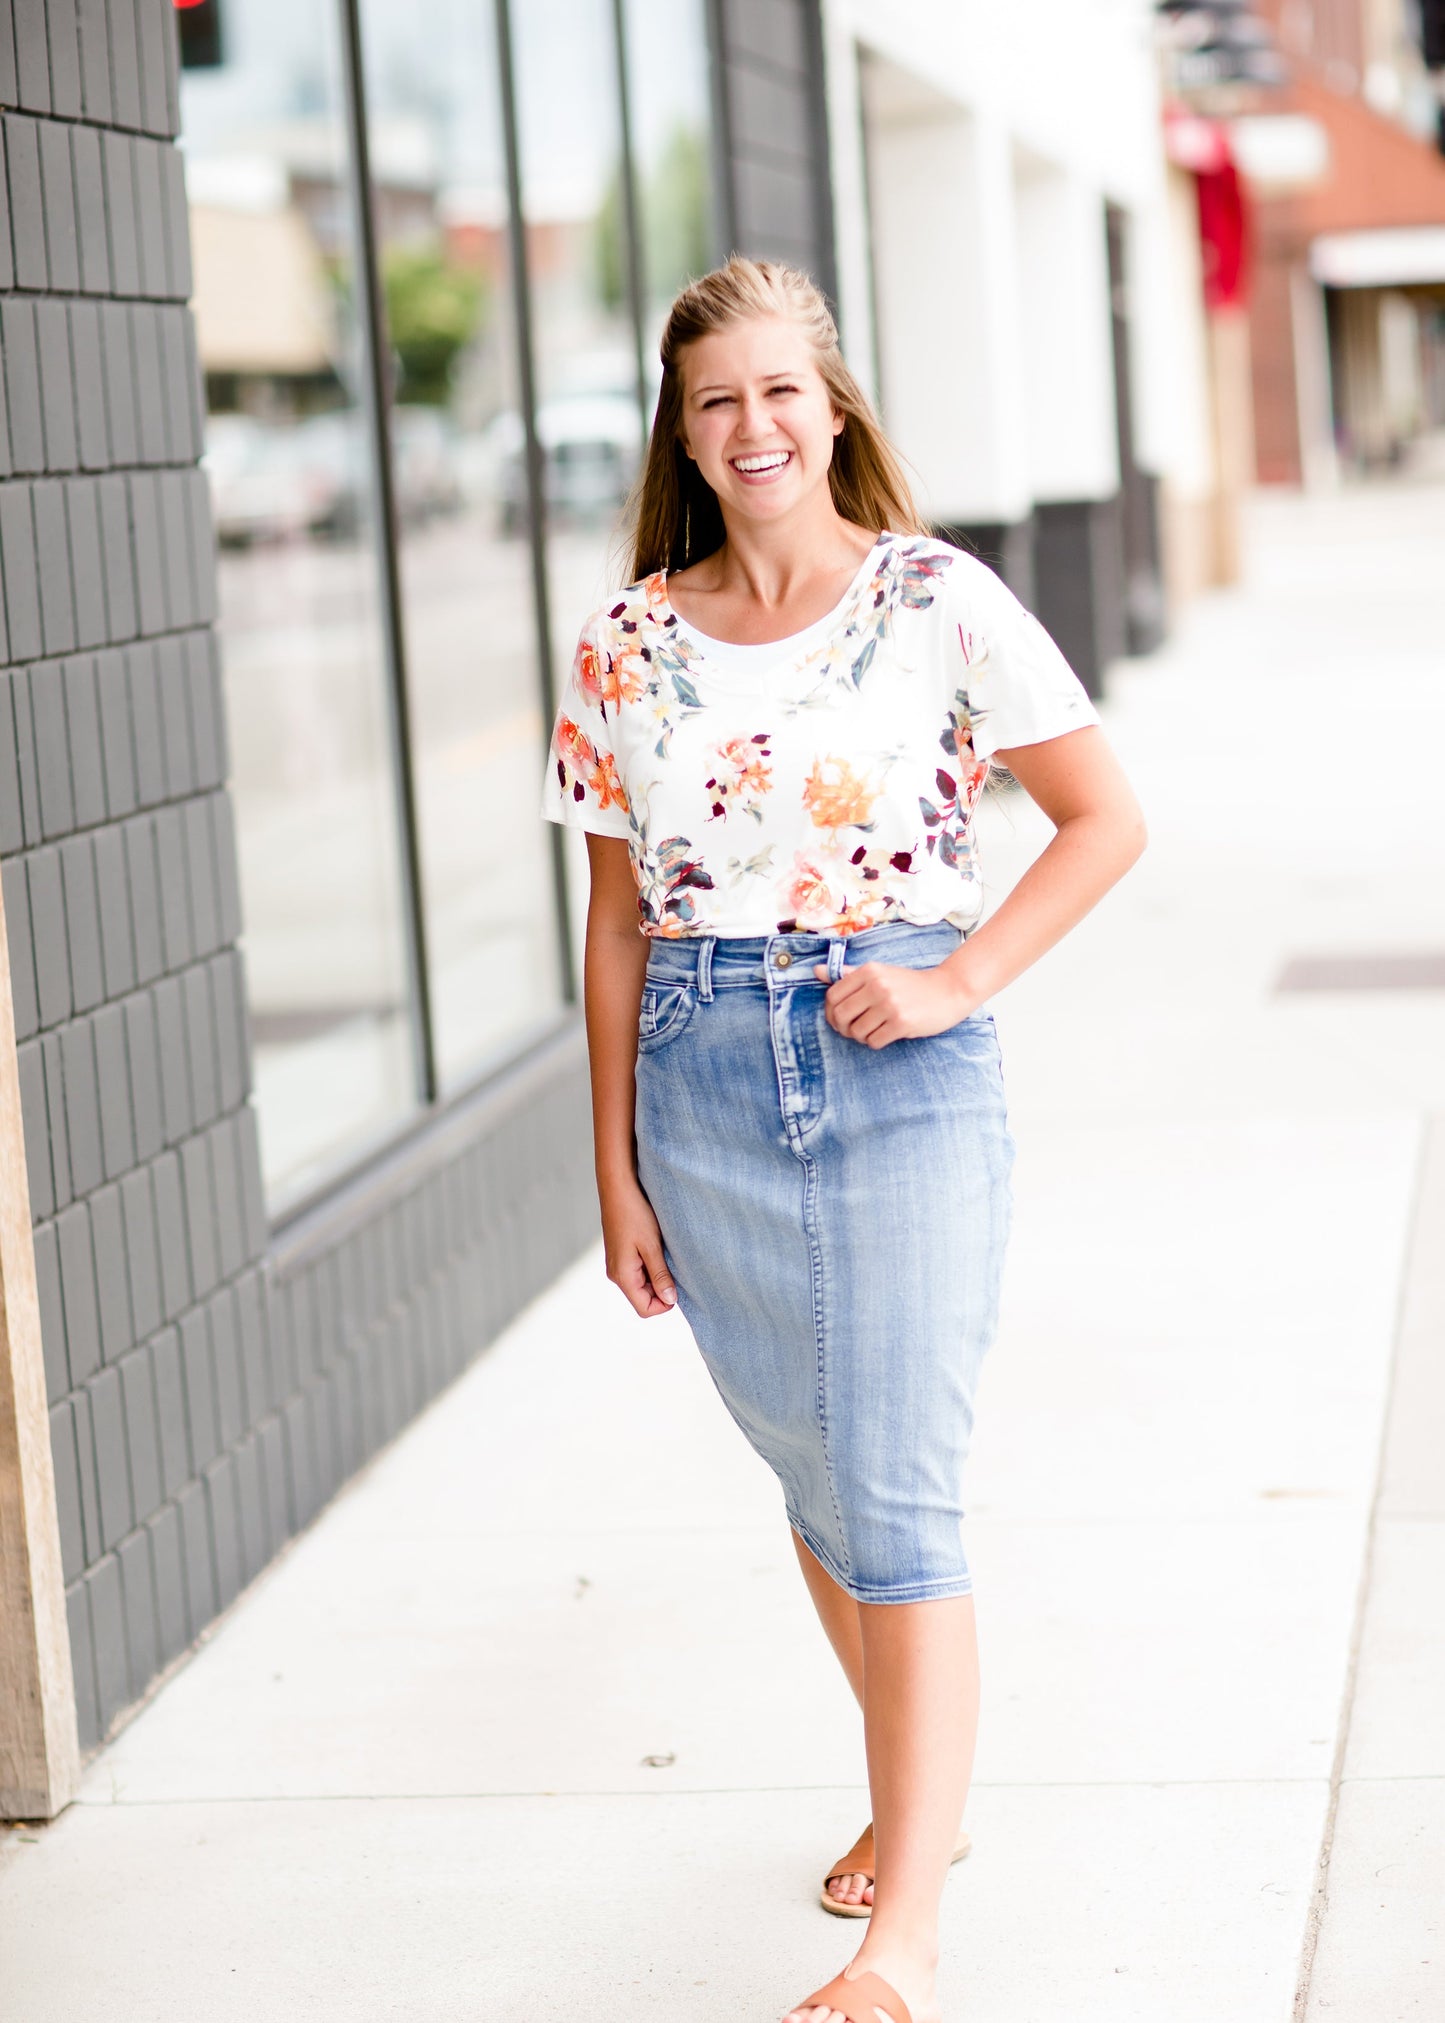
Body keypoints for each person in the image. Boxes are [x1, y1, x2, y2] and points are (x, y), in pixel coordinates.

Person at [539, 256, 1147, 2023]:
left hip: (891, 1075)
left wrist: (957, 978)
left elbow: (1103, 819)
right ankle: (916, 1805)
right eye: (715, 400)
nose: (751, 428)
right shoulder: (624, 640)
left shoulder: (935, 599)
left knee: (894, 1487)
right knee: (813, 1481)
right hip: (697, 1078)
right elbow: (608, 927)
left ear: (832, 407)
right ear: (683, 426)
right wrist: (615, 1169)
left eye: (779, 393)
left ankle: (903, 1940)